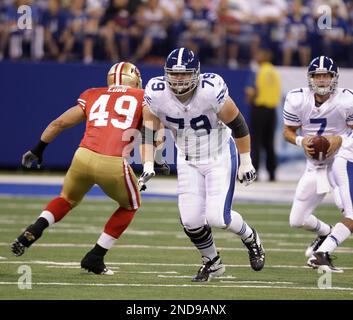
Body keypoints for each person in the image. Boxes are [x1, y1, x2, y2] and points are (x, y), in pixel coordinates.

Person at [138, 47, 265, 282]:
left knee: (218, 218)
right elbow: (149, 130)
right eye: (173, 74)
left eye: (184, 73)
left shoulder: (210, 90)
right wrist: (147, 164)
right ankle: (213, 263)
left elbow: (238, 125)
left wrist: (246, 162)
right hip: (187, 159)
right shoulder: (156, 93)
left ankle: (251, 238)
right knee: (191, 221)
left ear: (196, 73)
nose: (178, 79)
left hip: (219, 155)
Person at [11, 62, 144, 275]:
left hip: (82, 156)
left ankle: (36, 228)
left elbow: (59, 123)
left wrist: (38, 149)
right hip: (112, 161)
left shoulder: (92, 94)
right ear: (135, 80)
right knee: (131, 205)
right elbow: (154, 129)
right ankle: (96, 256)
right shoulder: (142, 97)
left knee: (66, 199)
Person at [283, 56, 353, 272]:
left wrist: (339, 140)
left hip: (341, 162)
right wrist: (302, 141)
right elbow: (288, 131)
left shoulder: (346, 100)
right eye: (317, 75)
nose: (322, 80)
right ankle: (325, 233)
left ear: (334, 78)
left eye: (326, 75)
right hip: (315, 167)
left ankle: (323, 252)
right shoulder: (297, 99)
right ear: (310, 78)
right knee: (297, 220)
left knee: (350, 213)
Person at [244, 48, 282, 181]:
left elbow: (250, 92)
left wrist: (249, 98)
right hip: (272, 111)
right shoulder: (274, 72)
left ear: (263, 57)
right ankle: (272, 174)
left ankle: (255, 173)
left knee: (256, 142)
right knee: (269, 143)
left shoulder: (257, 71)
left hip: (259, 109)